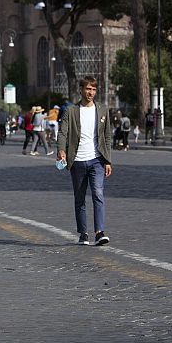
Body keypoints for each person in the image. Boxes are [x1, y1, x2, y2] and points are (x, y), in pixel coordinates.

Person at [57, 76, 113, 246]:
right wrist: (61, 150)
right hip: (78, 161)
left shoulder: (102, 110)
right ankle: (83, 233)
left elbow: (107, 136)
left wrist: (108, 160)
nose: (91, 92)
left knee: (98, 193)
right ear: (81, 90)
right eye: (88, 89)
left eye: (94, 89)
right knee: (80, 198)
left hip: (96, 160)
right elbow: (63, 133)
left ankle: (99, 232)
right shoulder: (71, 111)